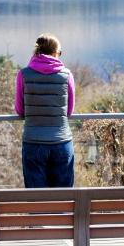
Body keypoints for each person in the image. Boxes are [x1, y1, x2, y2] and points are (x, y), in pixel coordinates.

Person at [14, 33, 75, 188]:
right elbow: (69, 111)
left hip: (33, 143)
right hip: (61, 141)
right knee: (65, 199)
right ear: (55, 53)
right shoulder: (66, 75)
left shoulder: (24, 74)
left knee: (36, 199)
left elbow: (20, 110)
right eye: (60, 53)